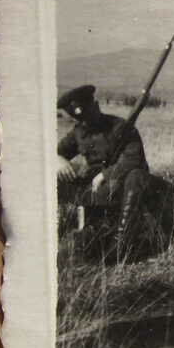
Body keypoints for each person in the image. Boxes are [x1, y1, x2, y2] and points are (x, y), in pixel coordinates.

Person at [55, 84, 151, 253]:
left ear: (96, 106)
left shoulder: (121, 127)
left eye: (88, 116)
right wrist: (58, 160)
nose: (85, 123)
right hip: (96, 187)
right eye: (81, 119)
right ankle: (59, 231)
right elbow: (55, 151)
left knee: (136, 176)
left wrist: (105, 174)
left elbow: (134, 159)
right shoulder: (79, 132)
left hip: (121, 182)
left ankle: (122, 242)